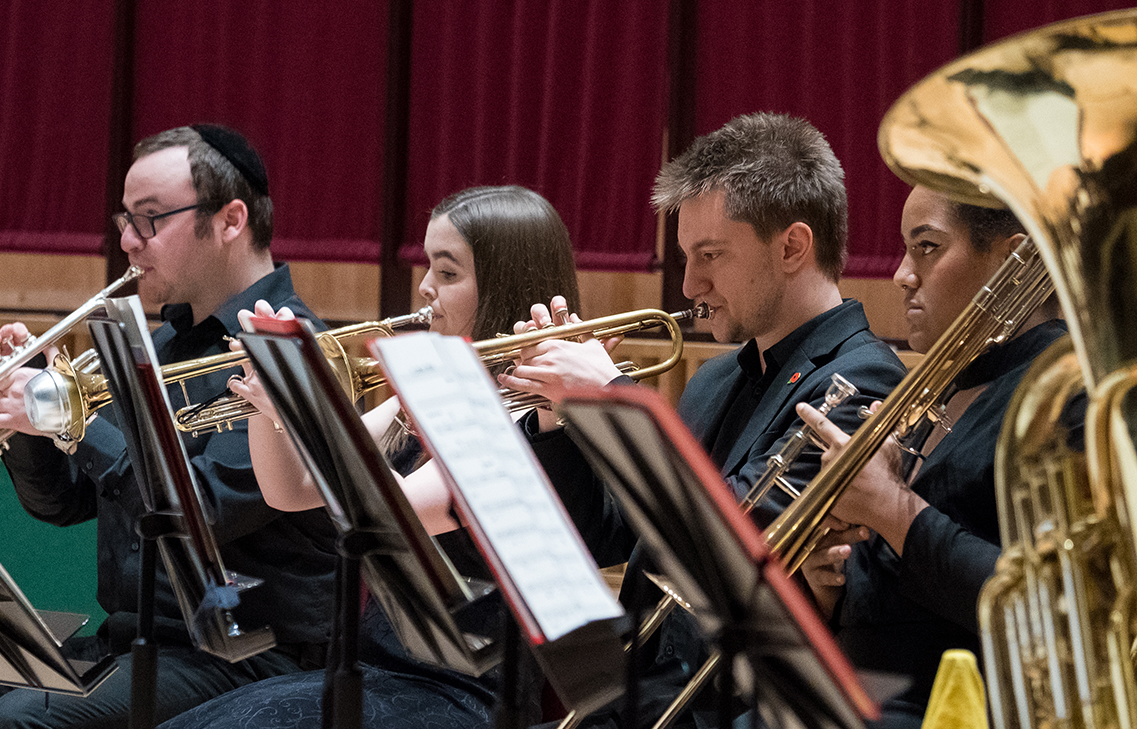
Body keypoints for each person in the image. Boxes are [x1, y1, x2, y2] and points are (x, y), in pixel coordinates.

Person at [0, 125, 338, 729]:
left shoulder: (293, 348)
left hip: (247, 652)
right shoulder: (156, 345)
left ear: (230, 220)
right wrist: (31, 431)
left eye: (151, 219)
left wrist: (70, 417)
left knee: (23, 720)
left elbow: (205, 510)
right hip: (128, 641)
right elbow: (64, 503)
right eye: (125, 222)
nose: (130, 243)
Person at [500, 112, 909, 729]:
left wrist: (612, 396)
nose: (691, 283)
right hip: (629, 694)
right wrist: (563, 419)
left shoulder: (865, 382)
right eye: (688, 256)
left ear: (793, 246)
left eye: (710, 255)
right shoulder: (718, 377)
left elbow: (735, 542)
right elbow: (607, 534)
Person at [160, 184, 585, 729]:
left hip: (462, 692)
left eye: (449, 273)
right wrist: (265, 399)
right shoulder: (425, 397)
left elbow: (389, 515)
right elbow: (289, 491)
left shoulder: (528, 414)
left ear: (506, 285)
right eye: (429, 266)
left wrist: (303, 408)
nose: (426, 287)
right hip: (376, 671)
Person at [795, 185, 1069, 729]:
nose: (901, 274)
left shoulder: (1060, 395)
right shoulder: (942, 383)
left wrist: (890, 508)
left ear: (1014, 261)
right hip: (861, 699)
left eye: (927, 247)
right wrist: (829, 578)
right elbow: (900, 584)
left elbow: (1053, 612)